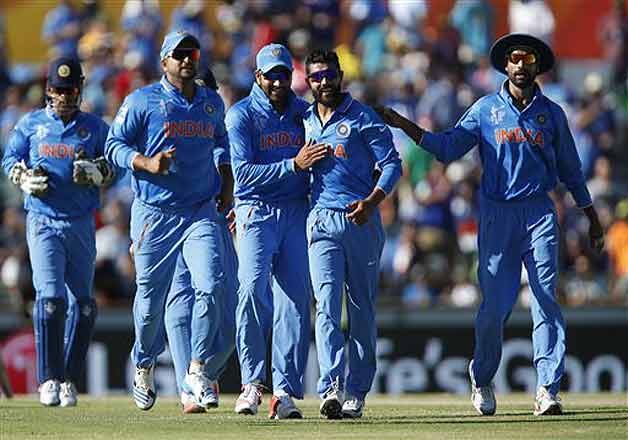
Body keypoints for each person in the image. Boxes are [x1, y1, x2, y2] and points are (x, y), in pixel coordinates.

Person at [375, 33, 605, 416]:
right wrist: (403, 125)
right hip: (498, 213)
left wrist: (592, 217)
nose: (520, 65)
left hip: (539, 211)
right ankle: (482, 377)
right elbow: (447, 148)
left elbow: (572, 170)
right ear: (506, 65)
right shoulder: (485, 110)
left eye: (527, 59)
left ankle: (547, 388)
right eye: (514, 58)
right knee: (495, 306)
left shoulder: (552, 113)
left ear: (536, 66)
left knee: (545, 297)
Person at [105, 31, 230, 411]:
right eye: (179, 54)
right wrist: (146, 163)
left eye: (192, 52)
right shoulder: (141, 101)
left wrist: (225, 181)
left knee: (211, 284)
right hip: (155, 214)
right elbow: (113, 146)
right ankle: (143, 363)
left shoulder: (211, 102)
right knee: (149, 304)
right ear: (164, 61)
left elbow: (221, 142)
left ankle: (196, 369)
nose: (187, 59)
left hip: (199, 211)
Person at [1, 57, 114, 407]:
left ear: (80, 90)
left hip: (81, 222)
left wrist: (99, 172)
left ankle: (68, 379)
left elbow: (117, 164)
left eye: (71, 90)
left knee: (84, 306)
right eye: (59, 90)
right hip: (43, 221)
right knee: (51, 300)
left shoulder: (95, 127)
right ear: (49, 90)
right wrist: (23, 177)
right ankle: (48, 379)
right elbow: (9, 159)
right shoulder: (31, 124)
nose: (65, 96)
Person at [226, 43, 325, 419]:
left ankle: (284, 392)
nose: (279, 82)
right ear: (258, 77)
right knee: (252, 290)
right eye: (271, 76)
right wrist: (293, 165)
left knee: (295, 302)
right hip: (256, 211)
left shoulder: (304, 112)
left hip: (297, 211)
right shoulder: (242, 115)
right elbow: (243, 175)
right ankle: (251, 383)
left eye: (284, 74)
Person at [303, 49, 402, 419]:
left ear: (340, 76)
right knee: (326, 304)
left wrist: (372, 201)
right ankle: (330, 386)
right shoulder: (304, 119)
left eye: (329, 75)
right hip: (321, 220)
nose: (324, 82)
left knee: (361, 309)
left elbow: (392, 165)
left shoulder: (363, 117)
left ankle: (356, 391)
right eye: (316, 77)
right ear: (308, 81)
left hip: (360, 219)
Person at [163, 69, 237, 413]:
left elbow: (238, 170)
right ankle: (189, 389)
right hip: (176, 223)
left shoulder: (222, 125)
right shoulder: (169, 123)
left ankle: (204, 373)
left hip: (217, 222)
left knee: (232, 314)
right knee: (180, 305)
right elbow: (148, 182)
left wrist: (239, 205)